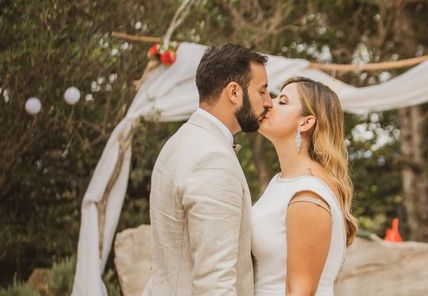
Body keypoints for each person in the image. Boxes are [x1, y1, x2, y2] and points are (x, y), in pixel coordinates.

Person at [144, 43, 272, 296]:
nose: (269, 102)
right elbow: (214, 282)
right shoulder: (212, 159)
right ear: (234, 92)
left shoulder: (180, 141)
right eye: (262, 91)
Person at [252, 76, 358, 296]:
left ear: (305, 122)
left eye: (282, 101)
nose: (268, 103)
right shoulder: (281, 181)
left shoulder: (309, 193)